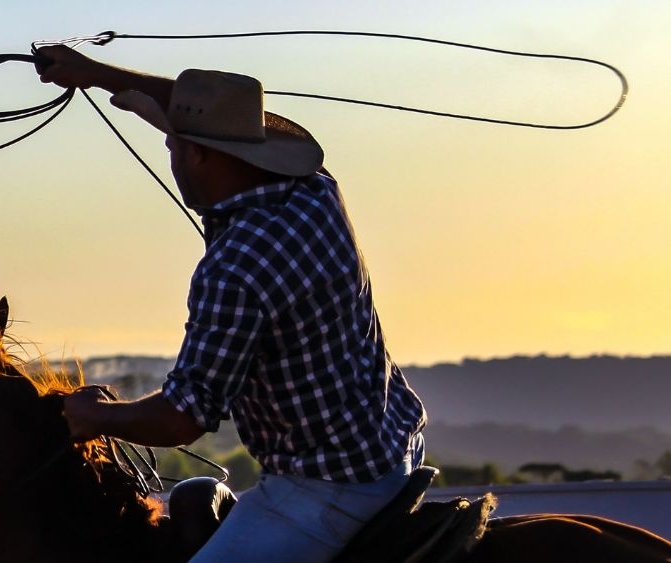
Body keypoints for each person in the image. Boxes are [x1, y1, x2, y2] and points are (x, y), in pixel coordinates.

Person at [35, 46, 427, 562]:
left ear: (196, 154)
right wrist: (100, 74)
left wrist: (94, 416)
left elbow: (182, 419)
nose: (170, 154)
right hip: (391, 445)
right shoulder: (315, 190)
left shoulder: (235, 268)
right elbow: (193, 114)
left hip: (327, 489)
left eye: (173, 146)